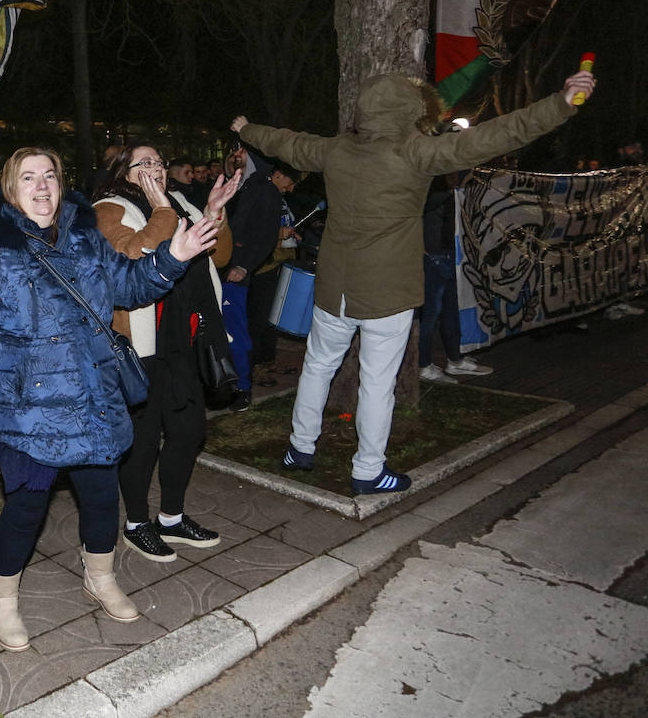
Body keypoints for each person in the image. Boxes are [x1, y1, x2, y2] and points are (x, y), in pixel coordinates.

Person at [232, 67, 596, 494]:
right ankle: (368, 470)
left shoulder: (336, 150)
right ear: (411, 110)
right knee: (377, 383)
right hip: (386, 291)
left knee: (317, 366)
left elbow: (285, 142)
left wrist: (247, 128)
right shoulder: (418, 152)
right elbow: (498, 135)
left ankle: (300, 448)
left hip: (335, 288)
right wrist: (560, 103)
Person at [0, 146, 221, 651]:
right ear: (10, 189)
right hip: (29, 407)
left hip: (91, 397)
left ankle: (101, 578)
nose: (42, 186)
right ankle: (3, 598)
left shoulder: (87, 237)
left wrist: (173, 256)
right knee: (25, 509)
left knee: (101, 497)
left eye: (50, 175)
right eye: (29, 177)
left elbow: (130, 286)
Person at [94, 144, 241, 561]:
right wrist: (163, 211)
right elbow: (133, 253)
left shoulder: (177, 203)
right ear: (124, 172)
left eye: (159, 162)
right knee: (142, 441)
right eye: (144, 163)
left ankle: (172, 518)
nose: (156, 168)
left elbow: (220, 255)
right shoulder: (109, 209)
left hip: (185, 340)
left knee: (188, 430)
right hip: (141, 347)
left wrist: (213, 212)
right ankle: (137, 523)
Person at [222, 163, 298, 410]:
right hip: (231, 268)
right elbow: (246, 228)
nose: (291, 188)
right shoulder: (257, 188)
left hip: (236, 270)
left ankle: (241, 388)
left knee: (238, 330)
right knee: (235, 329)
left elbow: (258, 232)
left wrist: (242, 265)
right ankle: (231, 384)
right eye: (290, 181)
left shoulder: (260, 189)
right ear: (277, 174)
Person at [418, 172, 492, 381]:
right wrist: (451, 189)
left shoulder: (458, 181)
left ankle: (455, 360)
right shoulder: (433, 180)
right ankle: (423, 365)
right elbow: (421, 206)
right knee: (430, 314)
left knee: (451, 309)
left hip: (453, 254)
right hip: (435, 255)